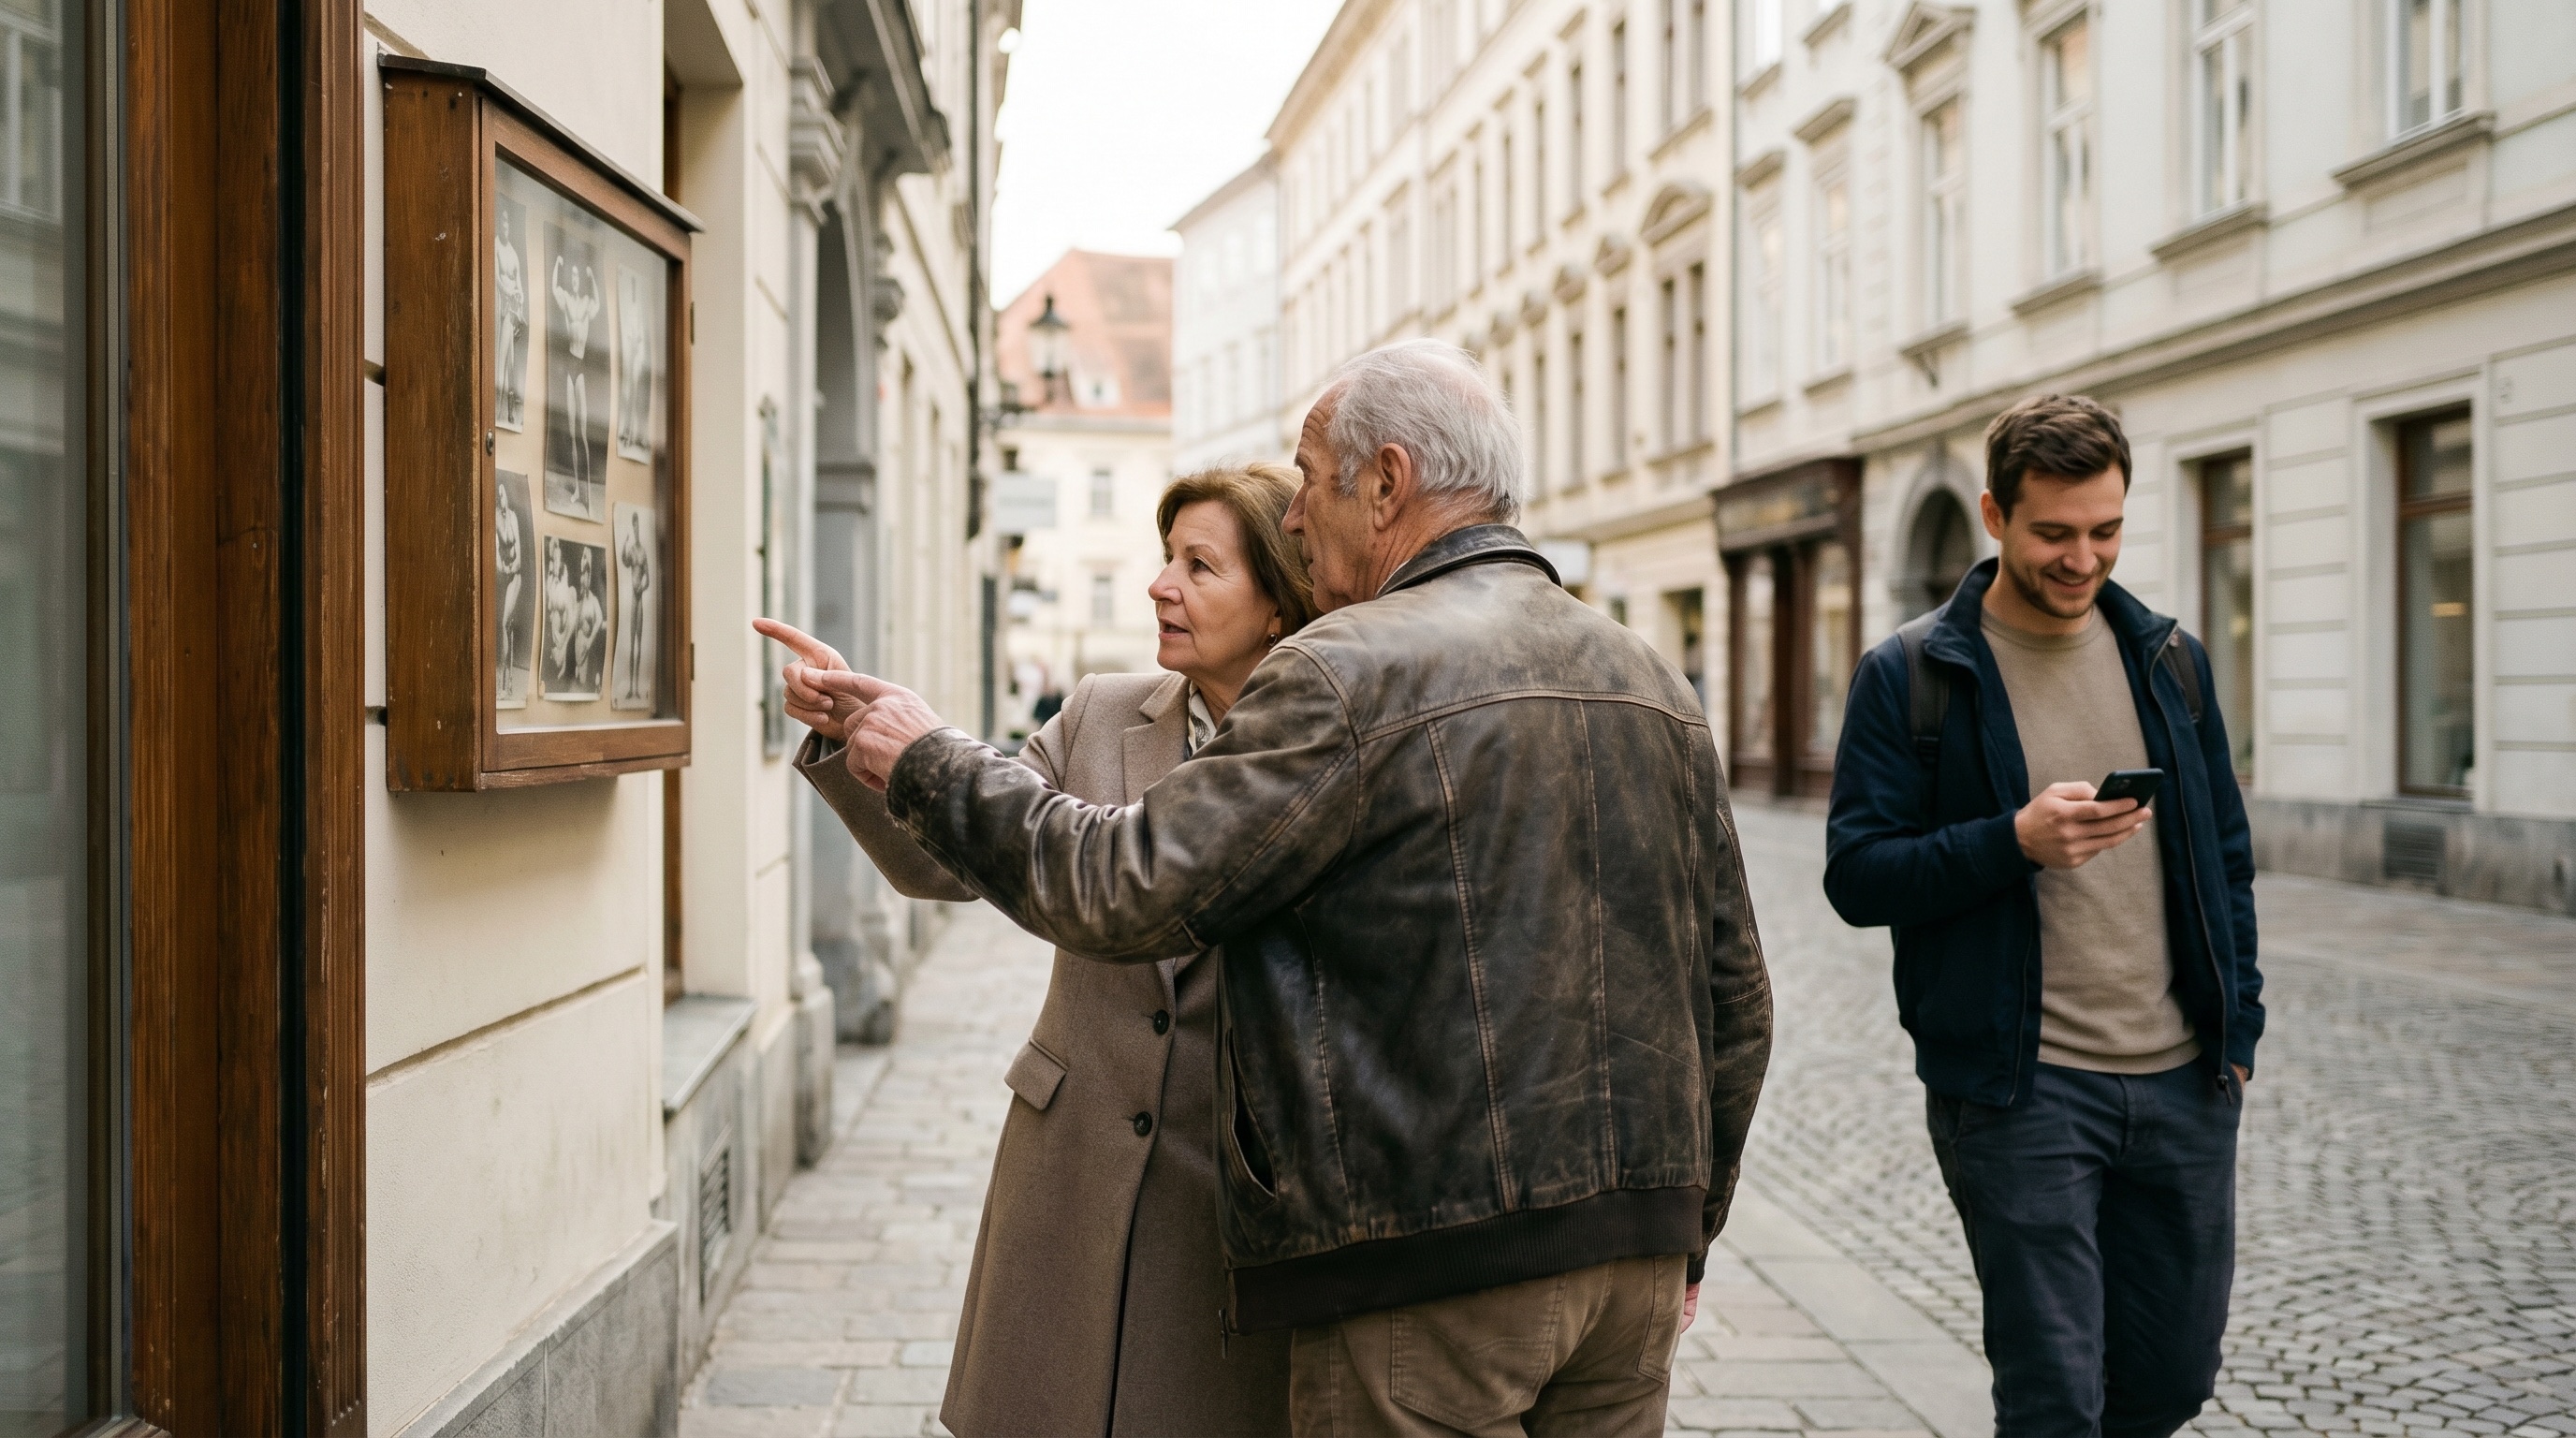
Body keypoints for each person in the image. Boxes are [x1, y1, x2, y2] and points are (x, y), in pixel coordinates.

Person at [795, 339, 1772, 1437]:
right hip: (1629, 1267)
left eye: (1311, 480)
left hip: (1431, 1261)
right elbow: (1732, 993)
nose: (1299, 517)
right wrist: (1688, 1225)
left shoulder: (1349, 666)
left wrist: (928, 756)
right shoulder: (1649, 675)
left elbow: (1121, 886)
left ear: (1388, 482)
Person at [758, 463, 1318, 1436]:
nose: (1160, 585)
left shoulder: (1322, 747)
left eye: (1200, 565)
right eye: (1163, 557)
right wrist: (860, 745)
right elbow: (951, 863)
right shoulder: (1103, 712)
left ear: (1277, 603)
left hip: (1226, 1192)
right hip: (1073, 1157)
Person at [1822, 393, 2263, 1438]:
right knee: (2054, 1396)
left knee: (2169, 1378)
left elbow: (2227, 857)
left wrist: (2236, 1032)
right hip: (2021, 1093)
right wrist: (2007, 842)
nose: (2082, 558)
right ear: (1994, 515)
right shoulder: (1913, 674)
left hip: (2182, 1084)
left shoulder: (2170, 661)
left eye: (2104, 530)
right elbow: (1857, 875)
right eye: (2053, 533)